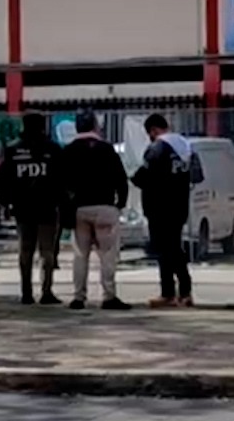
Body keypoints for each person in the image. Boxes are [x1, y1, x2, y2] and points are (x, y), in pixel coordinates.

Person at [57, 111, 130, 311]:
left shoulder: (69, 151)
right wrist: (120, 203)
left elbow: (60, 183)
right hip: (105, 207)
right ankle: (109, 296)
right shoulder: (107, 149)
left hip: (80, 208)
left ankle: (78, 297)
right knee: (107, 255)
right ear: (96, 126)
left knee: (80, 255)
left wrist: (66, 208)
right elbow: (121, 179)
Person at [0, 112, 65, 305]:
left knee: (25, 250)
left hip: (23, 207)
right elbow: (61, 178)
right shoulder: (52, 149)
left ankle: (26, 293)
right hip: (47, 207)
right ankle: (46, 291)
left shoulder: (13, 150)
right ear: (42, 127)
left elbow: (3, 178)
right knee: (47, 252)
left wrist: (5, 202)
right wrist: (61, 202)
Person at [131, 112, 194, 308]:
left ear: (153, 130)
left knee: (164, 251)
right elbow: (197, 175)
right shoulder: (186, 147)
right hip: (180, 204)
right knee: (175, 247)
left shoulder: (157, 148)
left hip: (159, 206)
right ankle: (185, 292)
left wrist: (134, 178)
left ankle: (169, 293)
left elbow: (143, 176)